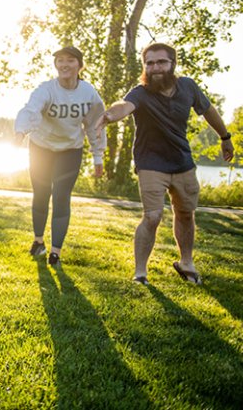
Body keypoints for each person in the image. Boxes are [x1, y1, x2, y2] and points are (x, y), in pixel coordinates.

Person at [94, 42, 234, 285]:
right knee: (152, 216)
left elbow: (209, 111)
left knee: (185, 213)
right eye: (149, 63)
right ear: (144, 66)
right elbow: (123, 106)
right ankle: (140, 273)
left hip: (182, 161)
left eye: (161, 62)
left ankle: (186, 263)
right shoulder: (140, 92)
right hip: (151, 163)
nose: (155, 67)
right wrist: (108, 116)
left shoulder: (188, 87)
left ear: (173, 63)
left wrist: (225, 138)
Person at [14, 46, 106, 268]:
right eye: (60, 61)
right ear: (56, 65)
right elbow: (31, 109)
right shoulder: (46, 89)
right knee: (42, 193)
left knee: (62, 196)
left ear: (80, 65)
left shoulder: (89, 93)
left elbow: (96, 124)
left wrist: (98, 156)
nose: (64, 65)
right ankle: (38, 241)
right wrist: (20, 132)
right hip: (41, 148)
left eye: (71, 60)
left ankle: (55, 252)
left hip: (70, 150)